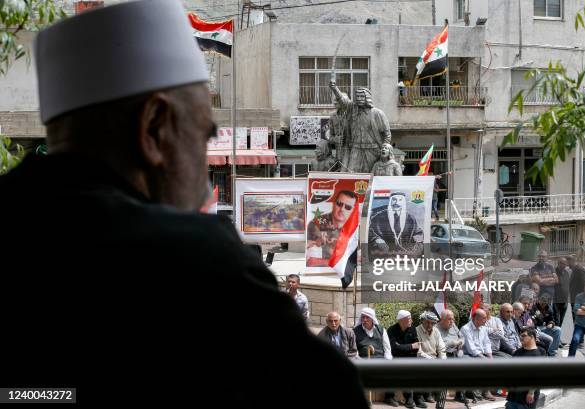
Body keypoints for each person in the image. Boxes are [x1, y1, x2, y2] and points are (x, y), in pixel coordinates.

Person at [0, 2, 369, 407]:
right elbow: (334, 394)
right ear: (155, 126)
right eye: (202, 133)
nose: (204, 156)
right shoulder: (194, 256)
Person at [329, 81, 392, 173]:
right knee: (351, 174)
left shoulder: (377, 113)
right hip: (356, 150)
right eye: (357, 96)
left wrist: (384, 150)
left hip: (373, 150)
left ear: (367, 97)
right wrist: (335, 89)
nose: (359, 99)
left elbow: (387, 135)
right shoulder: (352, 109)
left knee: (372, 175)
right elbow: (343, 101)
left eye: (362, 96)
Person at [354, 308, 397, 407]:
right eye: (363, 317)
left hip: (380, 360)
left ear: (372, 318)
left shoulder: (381, 329)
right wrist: (359, 360)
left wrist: (388, 361)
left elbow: (387, 348)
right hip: (363, 360)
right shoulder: (355, 331)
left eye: (367, 317)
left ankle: (389, 397)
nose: (364, 320)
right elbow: (354, 349)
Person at [306, 190, 357, 266]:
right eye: (339, 204)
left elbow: (357, 260)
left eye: (348, 207)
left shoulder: (355, 228)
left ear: (353, 211)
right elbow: (309, 260)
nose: (342, 209)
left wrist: (322, 261)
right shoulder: (316, 223)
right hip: (319, 272)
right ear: (333, 203)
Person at [368, 192, 424, 258]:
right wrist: (376, 239)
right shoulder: (379, 216)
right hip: (384, 255)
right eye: (394, 200)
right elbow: (368, 231)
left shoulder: (410, 218)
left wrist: (416, 242)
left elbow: (418, 233)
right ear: (390, 202)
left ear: (403, 203)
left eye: (400, 200)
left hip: (405, 254)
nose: (396, 203)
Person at [386, 310, 421, 408]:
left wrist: (403, 347)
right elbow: (394, 348)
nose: (411, 320)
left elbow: (417, 346)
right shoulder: (391, 330)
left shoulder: (412, 329)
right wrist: (410, 347)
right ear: (401, 320)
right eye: (409, 319)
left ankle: (417, 398)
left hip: (410, 357)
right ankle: (391, 397)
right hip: (395, 357)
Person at [505, 327, 547, 409]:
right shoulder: (517, 352)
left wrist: (531, 392)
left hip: (527, 397)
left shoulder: (541, 352)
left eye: (524, 336)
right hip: (513, 396)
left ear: (532, 337)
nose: (521, 338)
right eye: (520, 336)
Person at [436, 310, 467, 403]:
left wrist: (461, 342)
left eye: (453, 319)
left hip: (456, 353)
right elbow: (439, 346)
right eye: (449, 319)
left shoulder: (453, 325)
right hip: (443, 355)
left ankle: (460, 393)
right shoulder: (436, 329)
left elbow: (462, 337)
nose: (452, 321)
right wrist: (452, 343)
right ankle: (440, 395)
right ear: (442, 319)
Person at [568, 255, 585, 321]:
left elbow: (584, 284)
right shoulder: (575, 270)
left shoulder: (579, 270)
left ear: (573, 261)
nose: (568, 265)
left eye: (568, 262)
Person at [554, 257, 571, 326]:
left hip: (564, 301)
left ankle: (558, 335)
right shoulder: (554, 272)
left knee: (561, 320)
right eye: (561, 263)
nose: (562, 265)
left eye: (564, 264)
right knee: (556, 320)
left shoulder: (566, 273)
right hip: (556, 300)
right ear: (558, 263)